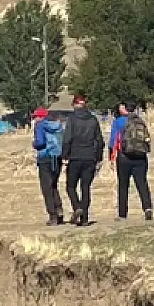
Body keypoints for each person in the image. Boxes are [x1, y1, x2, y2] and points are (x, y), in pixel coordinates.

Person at [61, 96, 103, 227]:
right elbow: (99, 140)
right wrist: (99, 157)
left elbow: (67, 139)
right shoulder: (93, 119)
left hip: (75, 156)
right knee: (85, 187)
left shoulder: (72, 119)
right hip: (90, 157)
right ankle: (84, 217)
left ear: (74, 105)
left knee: (70, 186)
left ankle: (77, 206)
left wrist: (64, 155)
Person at [108, 103, 154, 221]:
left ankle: (122, 213)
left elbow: (113, 141)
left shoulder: (118, 122)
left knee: (123, 185)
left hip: (124, 157)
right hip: (140, 156)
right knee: (142, 183)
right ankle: (147, 207)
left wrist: (111, 157)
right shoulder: (140, 120)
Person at [29, 107, 65, 226]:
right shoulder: (58, 125)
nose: (34, 119)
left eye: (36, 116)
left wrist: (34, 144)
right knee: (54, 185)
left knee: (47, 188)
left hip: (45, 158)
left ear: (41, 117)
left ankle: (52, 215)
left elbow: (40, 142)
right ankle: (59, 210)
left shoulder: (40, 126)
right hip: (57, 157)